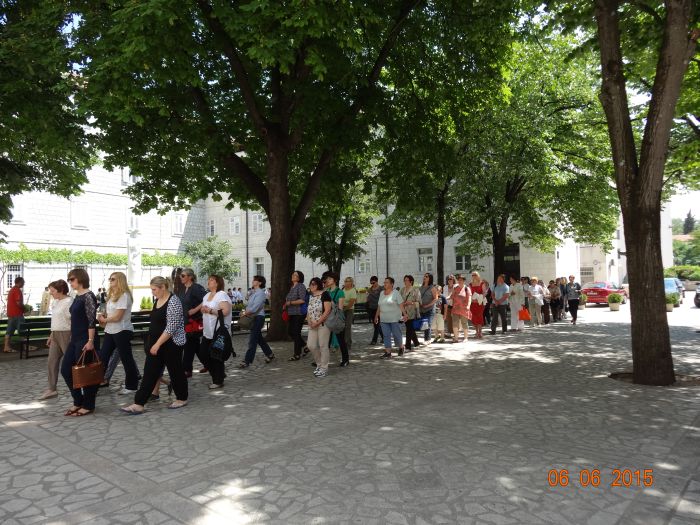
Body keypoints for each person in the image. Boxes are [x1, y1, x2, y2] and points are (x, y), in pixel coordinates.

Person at [120, 276, 188, 413]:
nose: (152, 292)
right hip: (157, 343)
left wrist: (157, 344)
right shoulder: (157, 300)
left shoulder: (174, 301)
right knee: (149, 372)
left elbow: (171, 327)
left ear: (163, 287)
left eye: (154, 289)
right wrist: (154, 343)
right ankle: (139, 403)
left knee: (175, 371)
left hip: (172, 344)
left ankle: (182, 398)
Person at [60, 268, 99, 417]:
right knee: (66, 370)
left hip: (85, 339)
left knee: (85, 372)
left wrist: (90, 341)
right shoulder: (77, 296)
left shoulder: (89, 296)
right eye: (69, 280)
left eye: (72, 279)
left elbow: (91, 321)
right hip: (75, 339)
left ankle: (88, 405)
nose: (70, 282)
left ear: (80, 279)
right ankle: (78, 400)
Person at [98, 272, 139, 395]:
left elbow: (118, 317)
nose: (110, 281)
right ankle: (97, 382)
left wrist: (105, 319)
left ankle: (131, 386)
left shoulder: (124, 295)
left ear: (120, 280)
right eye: (110, 279)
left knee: (126, 358)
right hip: (110, 330)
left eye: (113, 279)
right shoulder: (112, 295)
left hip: (122, 330)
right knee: (103, 356)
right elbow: (111, 313)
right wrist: (103, 316)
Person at [199, 274, 232, 389]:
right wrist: (203, 309)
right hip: (207, 331)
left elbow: (225, 311)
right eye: (209, 279)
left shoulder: (221, 295)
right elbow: (203, 308)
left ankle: (218, 380)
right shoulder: (206, 295)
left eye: (211, 280)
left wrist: (210, 310)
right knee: (203, 354)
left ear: (217, 283)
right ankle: (219, 374)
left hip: (218, 331)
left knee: (216, 356)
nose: (209, 281)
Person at [40, 280, 72, 400]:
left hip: (66, 334)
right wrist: (51, 335)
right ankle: (52, 389)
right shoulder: (56, 302)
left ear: (61, 290)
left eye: (53, 291)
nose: (51, 293)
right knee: (51, 361)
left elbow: (73, 321)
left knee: (71, 362)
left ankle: (79, 386)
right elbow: (55, 320)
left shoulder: (69, 302)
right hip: (55, 334)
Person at [177, 268, 207, 377]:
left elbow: (207, 299)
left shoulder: (196, 288)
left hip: (194, 322)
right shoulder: (182, 289)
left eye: (183, 275)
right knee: (196, 347)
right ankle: (209, 364)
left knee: (189, 346)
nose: (181, 277)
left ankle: (187, 370)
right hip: (185, 322)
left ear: (190, 277)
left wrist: (195, 309)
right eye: (180, 275)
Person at [239, 275, 275, 367]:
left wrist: (245, 313)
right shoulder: (253, 293)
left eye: (255, 280)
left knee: (253, 340)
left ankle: (247, 361)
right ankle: (270, 354)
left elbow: (255, 307)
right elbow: (249, 306)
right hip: (253, 317)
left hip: (258, 318)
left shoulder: (261, 293)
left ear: (260, 283)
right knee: (259, 339)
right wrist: (245, 311)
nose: (253, 281)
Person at [374, 277, 408, 359]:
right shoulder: (382, 293)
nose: (385, 284)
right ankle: (388, 352)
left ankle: (401, 347)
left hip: (394, 319)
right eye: (384, 282)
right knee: (386, 336)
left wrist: (405, 314)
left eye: (387, 282)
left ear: (392, 284)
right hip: (383, 319)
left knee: (397, 335)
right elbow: (379, 306)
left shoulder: (396, 293)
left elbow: (401, 305)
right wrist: (376, 316)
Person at [306, 277, 332, 377]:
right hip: (312, 325)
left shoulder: (325, 294)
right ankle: (319, 364)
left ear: (318, 285)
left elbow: (327, 311)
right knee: (311, 345)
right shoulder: (310, 296)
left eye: (314, 284)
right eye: (310, 284)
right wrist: (309, 322)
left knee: (323, 346)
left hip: (323, 324)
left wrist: (318, 322)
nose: (311, 286)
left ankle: (324, 368)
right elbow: (308, 311)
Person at [322, 271, 349, 367]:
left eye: (330, 279)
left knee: (341, 340)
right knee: (325, 341)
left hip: (336, 319)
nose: (328, 280)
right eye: (327, 279)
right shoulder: (326, 291)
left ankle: (345, 359)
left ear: (335, 280)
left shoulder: (340, 292)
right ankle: (322, 360)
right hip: (327, 319)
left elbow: (340, 308)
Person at [285, 270, 308, 361]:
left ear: (299, 278)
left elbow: (302, 300)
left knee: (296, 332)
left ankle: (297, 354)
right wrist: (286, 304)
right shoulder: (292, 287)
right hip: (292, 313)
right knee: (290, 332)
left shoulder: (301, 286)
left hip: (299, 313)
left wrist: (290, 302)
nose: (293, 276)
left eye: (295, 275)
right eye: (293, 274)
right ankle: (305, 346)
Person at [3, 276, 25, 353]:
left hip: (11, 314)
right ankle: (25, 346)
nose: (24, 284)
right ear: (20, 282)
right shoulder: (17, 290)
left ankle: (6, 346)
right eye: (23, 282)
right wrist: (25, 308)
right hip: (17, 314)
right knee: (22, 330)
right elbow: (18, 303)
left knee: (9, 331)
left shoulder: (12, 290)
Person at [400, 275, 421, 351]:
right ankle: (416, 343)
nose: (405, 282)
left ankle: (408, 346)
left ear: (411, 281)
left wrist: (411, 303)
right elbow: (399, 300)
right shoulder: (402, 290)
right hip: (404, 312)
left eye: (406, 280)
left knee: (409, 329)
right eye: (404, 280)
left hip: (412, 312)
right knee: (410, 328)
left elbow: (419, 302)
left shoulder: (415, 290)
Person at [419, 273, 438, 344]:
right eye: (424, 276)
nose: (424, 277)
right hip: (422, 309)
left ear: (430, 278)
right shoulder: (421, 287)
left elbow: (436, 298)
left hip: (430, 309)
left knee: (428, 324)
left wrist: (428, 305)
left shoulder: (432, 288)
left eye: (426, 276)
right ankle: (426, 339)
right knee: (424, 324)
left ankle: (427, 340)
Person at [451, 274, 471, 342]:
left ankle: (466, 338)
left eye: (461, 280)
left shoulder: (467, 288)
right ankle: (456, 338)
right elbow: (452, 296)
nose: (460, 281)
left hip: (464, 309)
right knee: (455, 323)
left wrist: (468, 306)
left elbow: (469, 298)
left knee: (464, 323)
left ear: (464, 281)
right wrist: (445, 298)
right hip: (455, 308)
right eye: (459, 280)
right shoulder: (455, 288)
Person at [469, 271, 488, 339]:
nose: (474, 276)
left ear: (478, 276)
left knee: (479, 317)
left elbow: (485, 292)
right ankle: (476, 332)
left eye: (475, 275)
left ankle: (480, 332)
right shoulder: (470, 284)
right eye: (472, 275)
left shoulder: (482, 283)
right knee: (474, 318)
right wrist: (472, 300)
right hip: (473, 303)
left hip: (480, 303)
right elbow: (469, 293)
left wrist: (480, 298)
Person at [366, 276, 383, 345]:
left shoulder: (381, 289)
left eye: (373, 283)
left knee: (376, 324)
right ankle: (384, 337)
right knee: (376, 325)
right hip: (371, 309)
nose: (372, 284)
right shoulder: (369, 290)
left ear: (377, 281)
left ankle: (374, 340)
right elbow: (367, 299)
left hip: (379, 309)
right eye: (371, 283)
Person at [342, 277, 357, 351]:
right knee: (342, 327)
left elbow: (351, 303)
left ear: (351, 282)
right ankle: (343, 342)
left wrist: (344, 309)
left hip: (349, 310)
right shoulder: (343, 289)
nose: (346, 283)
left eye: (348, 281)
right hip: (342, 308)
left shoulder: (353, 290)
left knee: (348, 327)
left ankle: (348, 344)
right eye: (345, 281)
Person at [444, 275, 456, 339]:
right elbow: (444, 296)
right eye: (448, 279)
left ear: (453, 280)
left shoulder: (456, 286)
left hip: (455, 305)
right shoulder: (445, 287)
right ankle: (450, 332)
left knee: (455, 320)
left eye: (451, 279)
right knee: (449, 320)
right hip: (448, 305)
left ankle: (455, 332)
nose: (450, 280)